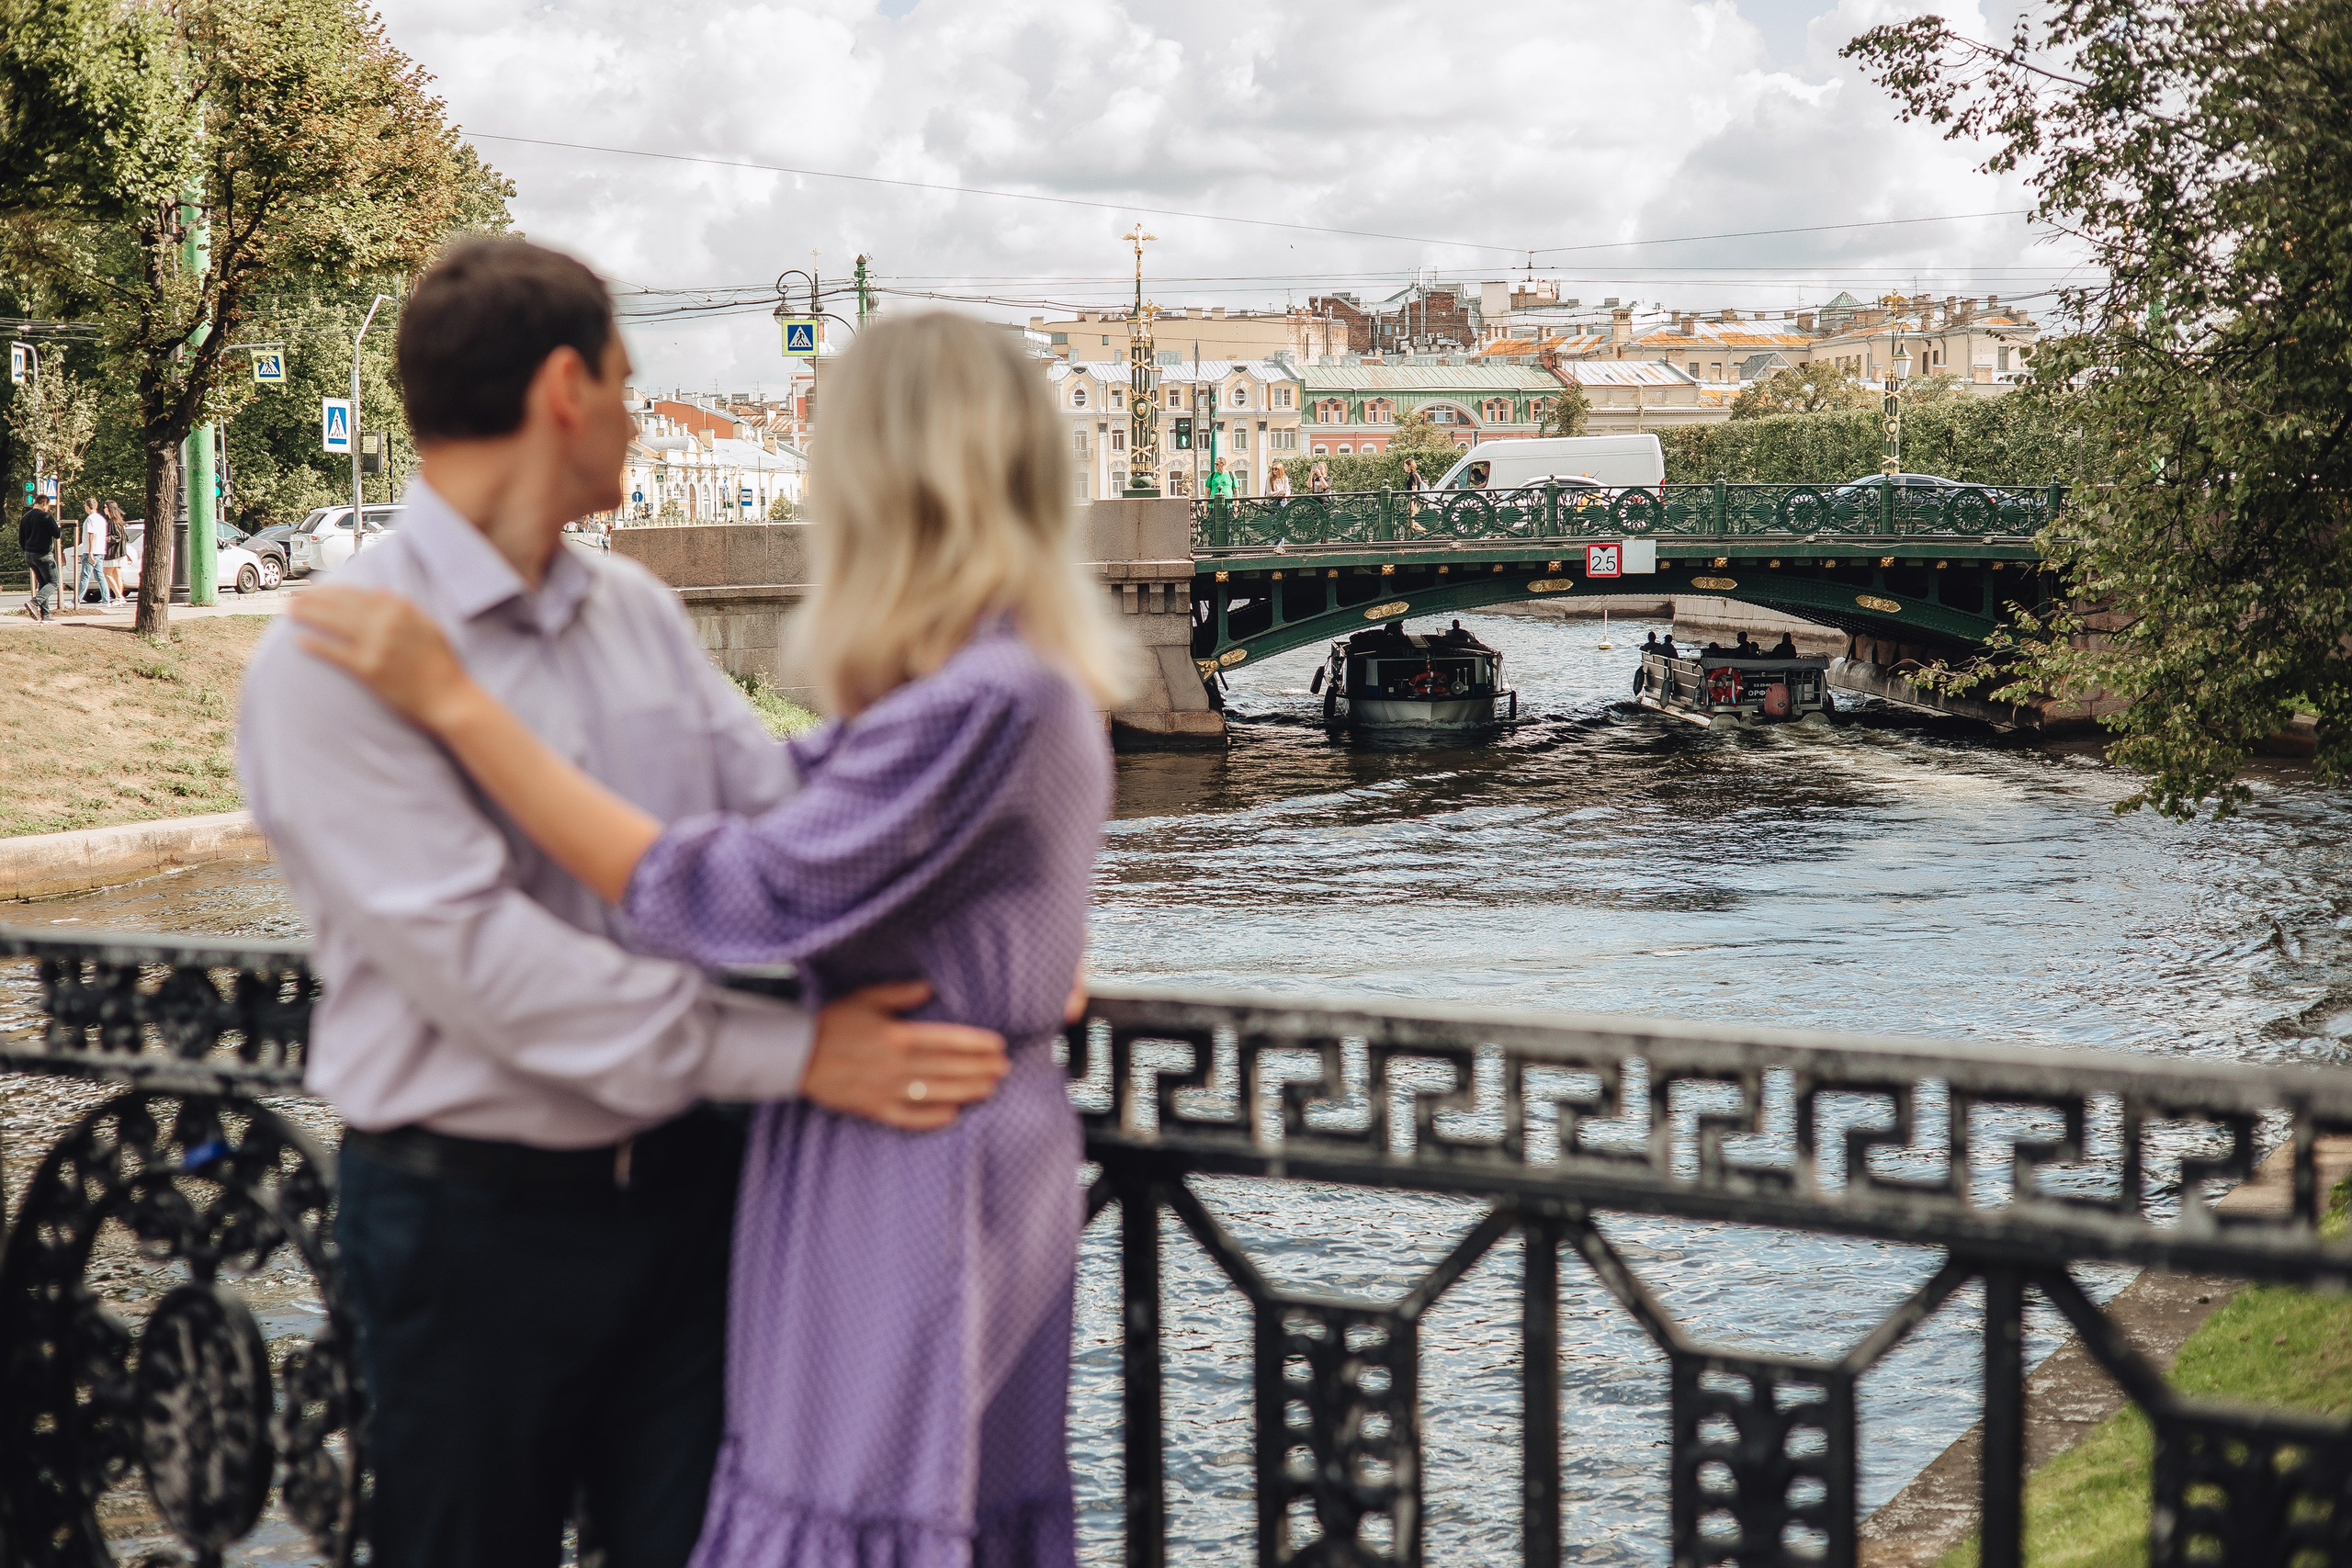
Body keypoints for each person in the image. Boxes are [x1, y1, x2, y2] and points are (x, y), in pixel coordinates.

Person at [293, 310, 1128, 1568]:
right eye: (629, 387)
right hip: (510, 1195)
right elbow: (790, 810)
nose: (642, 415)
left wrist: (461, 708)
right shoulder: (989, 683)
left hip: (894, 1146)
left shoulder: (976, 690)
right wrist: (1006, 930)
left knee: (872, 1505)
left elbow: (731, 879)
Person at [17, 500, 59, 621]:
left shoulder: (25, 517)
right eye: (48, 506)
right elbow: (57, 534)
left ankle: (45, 614)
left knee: (43, 582)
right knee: (54, 581)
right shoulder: (46, 516)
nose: (48, 508)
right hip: (43, 555)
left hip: (29, 555)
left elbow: (21, 538)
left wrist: (27, 550)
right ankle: (34, 603)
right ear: (44, 503)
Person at [77, 499, 115, 608]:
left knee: (84, 576)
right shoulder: (101, 519)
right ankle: (106, 600)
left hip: (92, 552)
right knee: (100, 576)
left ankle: (76, 600)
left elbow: (92, 535)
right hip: (100, 550)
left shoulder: (91, 519)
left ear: (87, 506)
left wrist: (90, 552)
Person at [101, 501, 130, 603]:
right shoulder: (119, 521)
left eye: (105, 507)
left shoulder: (113, 521)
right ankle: (119, 597)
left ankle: (118, 596)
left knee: (106, 573)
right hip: (120, 552)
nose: (104, 509)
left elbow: (117, 536)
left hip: (114, 553)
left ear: (110, 509)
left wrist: (105, 538)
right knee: (117, 574)